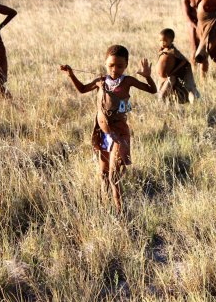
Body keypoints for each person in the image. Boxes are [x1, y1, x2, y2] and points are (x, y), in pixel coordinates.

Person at [60, 45, 157, 214]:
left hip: (119, 134)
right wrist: (71, 75)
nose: (115, 69)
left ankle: (120, 210)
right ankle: (106, 206)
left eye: (120, 66)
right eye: (111, 65)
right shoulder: (100, 81)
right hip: (103, 133)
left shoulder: (128, 81)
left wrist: (148, 77)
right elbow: (82, 89)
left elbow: (152, 90)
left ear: (126, 65)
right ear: (105, 63)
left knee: (114, 176)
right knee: (103, 174)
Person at [157, 28, 200, 103]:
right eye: (160, 41)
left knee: (163, 95)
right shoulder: (163, 49)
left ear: (171, 40)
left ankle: (194, 99)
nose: (162, 43)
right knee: (164, 94)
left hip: (172, 76)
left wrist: (175, 71)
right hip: (163, 78)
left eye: (165, 41)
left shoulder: (173, 50)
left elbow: (184, 61)